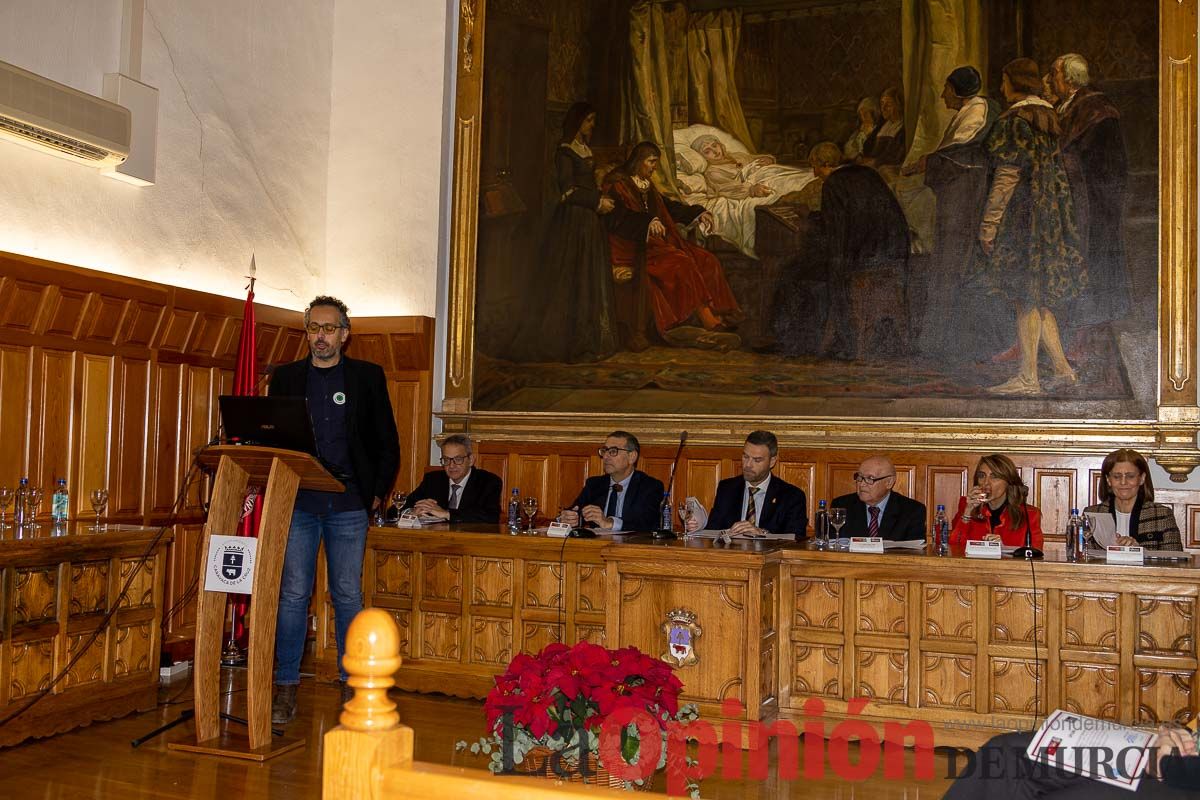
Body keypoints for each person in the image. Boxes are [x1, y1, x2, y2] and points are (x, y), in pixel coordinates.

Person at [268, 296, 400, 723]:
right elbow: (272, 438)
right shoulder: (286, 378)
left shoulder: (366, 377)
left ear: (345, 334)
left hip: (347, 504)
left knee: (347, 596)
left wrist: (375, 493)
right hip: (299, 502)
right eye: (313, 328)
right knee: (292, 596)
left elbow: (387, 442)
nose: (320, 336)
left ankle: (352, 686)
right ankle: (285, 686)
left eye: (328, 328)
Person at [977, 58, 1086, 395]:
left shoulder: (1013, 121)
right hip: (1050, 215)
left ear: (1014, 83)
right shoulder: (1047, 116)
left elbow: (1007, 177)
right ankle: (1062, 369)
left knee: (1025, 296)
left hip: (1021, 217)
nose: (1000, 87)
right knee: (1039, 298)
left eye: (1004, 80)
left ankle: (1028, 378)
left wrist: (989, 224)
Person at [774, 141, 910, 361]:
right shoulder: (868, 174)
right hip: (895, 251)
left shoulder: (833, 184)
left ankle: (797, 343)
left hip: (864, 257)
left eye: (815, 166)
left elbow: (838, 232)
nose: (814, 172)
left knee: (793, 276)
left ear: (825, 164)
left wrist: (834, 265)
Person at [507, 102, 618, 363]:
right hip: (573, 222)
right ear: (577, 122)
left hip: (589, 223)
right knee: (573, 279)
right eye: (589, 120)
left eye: (593, 120)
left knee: (590, 278)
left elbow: (587, 183)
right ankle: (573, 345)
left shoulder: (584, 149)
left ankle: (591, 341)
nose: (592, 125)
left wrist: (600, 193)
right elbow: (567, 191)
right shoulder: (565, 152)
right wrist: (596, 202)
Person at [603, 141, 742, 351]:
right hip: (629, 247)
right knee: (681, 262)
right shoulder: (616, 184)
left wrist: (697, 213)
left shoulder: (645, 183)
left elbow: (667, 207)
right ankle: (707, 321)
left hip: (656, 243)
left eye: (655, 162)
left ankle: (719, 314)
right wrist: (647, 223)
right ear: (639, 161)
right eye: (651, 162)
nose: (654, 167)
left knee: (706, 259)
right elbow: (617, 219)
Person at [908, 66, 1005, 362]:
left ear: (958, 90)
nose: (942, 95)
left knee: (955, 263)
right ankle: (940, 342)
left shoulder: (979, 110)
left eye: (946, 89)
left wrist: (927, 162)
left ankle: (954, 344)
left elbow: (960, 153)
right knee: (947, 263)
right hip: (958, 196)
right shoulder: (969, 110)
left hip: (965, 197)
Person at [1051, 53, 1132, 324]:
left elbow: (1101, 158)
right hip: (1079, 193)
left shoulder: (1096, 108)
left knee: (1097, 255)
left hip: (1097, 196)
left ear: (1069, 79)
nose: (1051, 81)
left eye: (1055, 75)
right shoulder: (1070, 105)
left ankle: (1094, 321)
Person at [943, 727, 1200, 797]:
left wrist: (1164, 764)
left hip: (1180, 779)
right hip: (1176, 758)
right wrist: (1179, 734)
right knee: (1002, 755)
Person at [685, 430, 808, 538]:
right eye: (745, 457)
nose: (748, 465)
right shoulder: (727, 489)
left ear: (772, 461)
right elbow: (713, 530)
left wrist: (762, 533)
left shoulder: (791, 496)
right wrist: (698, 526)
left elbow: (796, 539)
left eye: (757, 460)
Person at [559, 431, 663, 533]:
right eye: (604, 451)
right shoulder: (594, 484)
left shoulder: (650, 486)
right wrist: (567, 518)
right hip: (596, 546)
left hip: (633, 547)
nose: (605, 457)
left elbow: (648, 523)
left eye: (613, 451)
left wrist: (610, 523)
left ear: (632, 457)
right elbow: (575, 511)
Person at [1083, 448, 1182, 550]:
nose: (1123, 482)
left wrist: (1140, 551)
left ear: (1142, 478)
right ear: (1108, 480)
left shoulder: (1162, 515)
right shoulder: (1092, 515)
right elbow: (1082, 559)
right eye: (1117, 477)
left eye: (1130, 476)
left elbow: (1177, 561)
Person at [949, 453, 1044, 549]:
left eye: (994, 477)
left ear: (1008, 481)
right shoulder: (966, 506)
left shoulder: (1029, 514)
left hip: (1009, 564)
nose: (986, 483)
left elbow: (1035, 555)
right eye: (982, 476)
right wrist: (967, 513)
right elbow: (954, 548)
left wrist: (1005, 549)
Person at [401, 434, 502, 524]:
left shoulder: (488, 482)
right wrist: (413, 512)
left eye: (458, 459)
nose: (451, 465)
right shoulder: (433, 480)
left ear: (471, 460)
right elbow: (395, 510)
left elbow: (491, 517)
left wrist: (447, 514)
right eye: (446, 460)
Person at [831, 455, 926, 540]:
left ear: (889, 482)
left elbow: (914, 553)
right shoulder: (841, 505)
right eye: (859, 477)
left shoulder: (913, 511)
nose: (862, 484)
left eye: (870, 478)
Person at [690, 134, 775, 199]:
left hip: (768, 175)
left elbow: (752, 158)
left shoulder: (736, 155)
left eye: (715, 146)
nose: (715, 151)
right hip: (758, 186)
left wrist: (768, 159)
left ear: (720, 145)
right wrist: (751, 189)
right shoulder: (713, 172)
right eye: (707, 152)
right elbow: (730, 187)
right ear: (702, 157)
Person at [860, 86, 906, 170]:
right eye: (882, 103)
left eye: (888, 105)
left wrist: (875, 162)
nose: (883, 108)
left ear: (899, 106)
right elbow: (867, 148)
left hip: (884, 168)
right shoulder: (882, 125)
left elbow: (896, 157)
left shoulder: (902, 128)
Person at [843, 96, 882, 161]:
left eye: (865, 114)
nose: (863, 118)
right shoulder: (860, 129)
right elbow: (849, 149)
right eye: (861, 115)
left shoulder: (878, 129)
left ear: (873, 113)